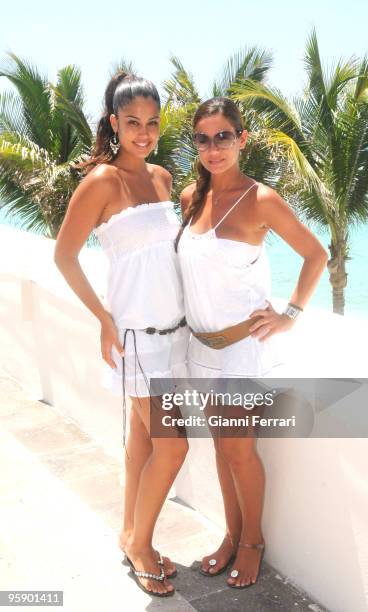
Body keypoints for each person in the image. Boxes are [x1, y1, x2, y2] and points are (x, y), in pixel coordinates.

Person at [176, 97, 328, 589]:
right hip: (201, 348)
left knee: (239, 451)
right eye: (203, 138)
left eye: (224, 136)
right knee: (222, 450)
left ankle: (252, 542)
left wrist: (290, 315)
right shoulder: (189, 198)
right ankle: (231, 534)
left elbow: (316, 255)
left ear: (242, 139)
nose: (213, 147)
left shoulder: (260, 199)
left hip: (243, 350)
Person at [54, 71, 190, 597]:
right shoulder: (101, 183)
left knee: (141, 446)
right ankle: (142, 545)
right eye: (132, 122)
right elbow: (64, 256)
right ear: (113, 123)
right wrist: (103, 319)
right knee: (173, 448)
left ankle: (130, 534)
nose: (143, 133)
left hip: (174, 335)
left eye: (152, 123)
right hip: (136, 338)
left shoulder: (161, 177)